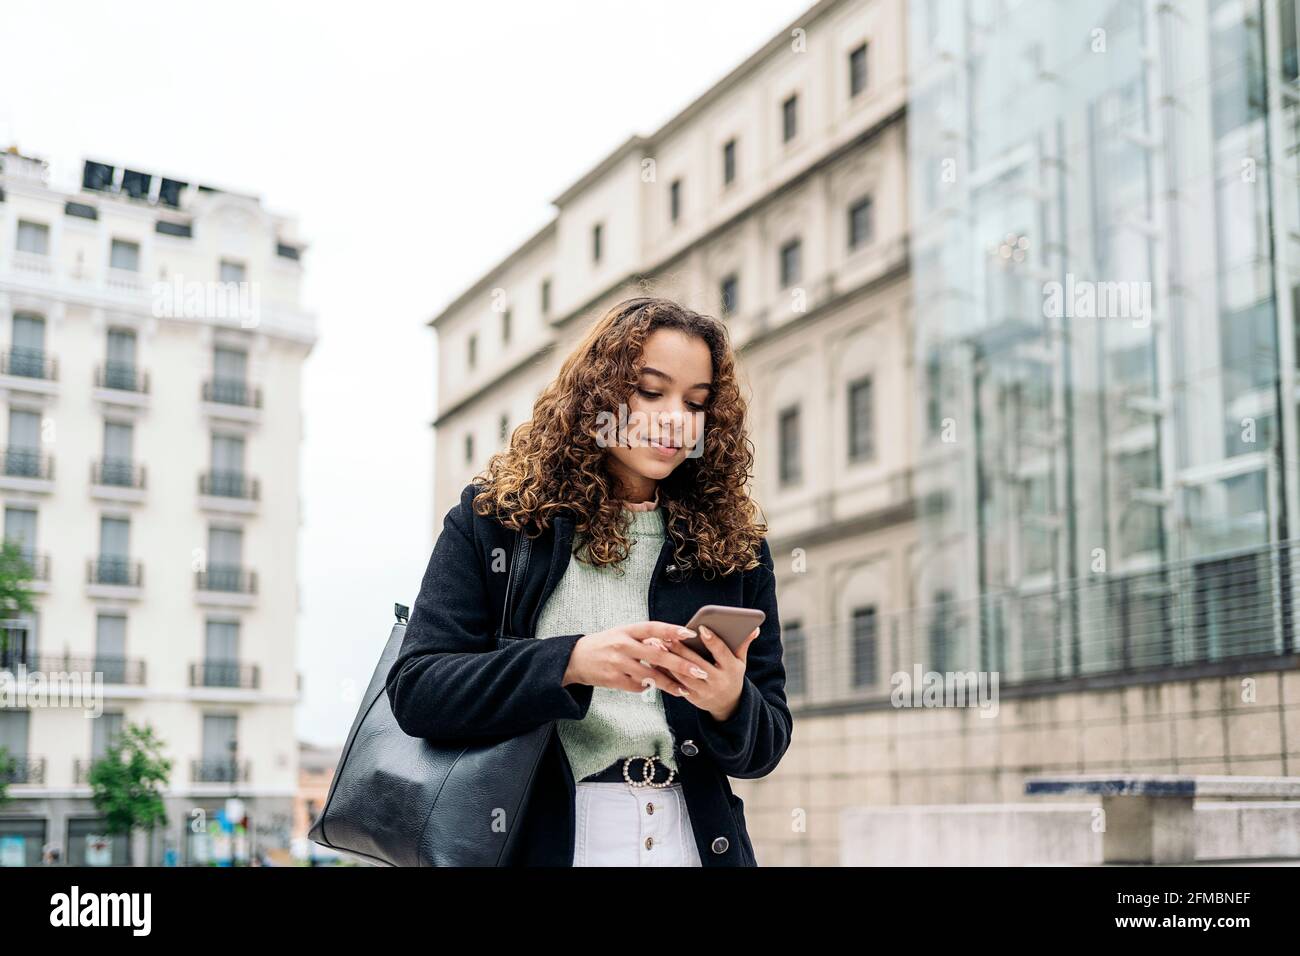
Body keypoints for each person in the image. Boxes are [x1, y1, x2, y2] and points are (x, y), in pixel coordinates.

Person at [386, 296, 792, 866]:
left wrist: (729, 701)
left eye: (696, 403)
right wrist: (571, 662)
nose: (675, 417)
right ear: (597, 396)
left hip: (692, 842)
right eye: (651, 391)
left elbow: (766, 746)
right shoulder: (496, 523)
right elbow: (419, 690)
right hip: (545, 839)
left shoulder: (737, 548)